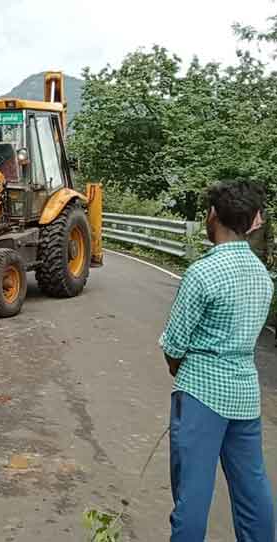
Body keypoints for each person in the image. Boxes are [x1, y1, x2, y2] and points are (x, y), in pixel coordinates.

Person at [160, 180, 275, 542]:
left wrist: (180, 370)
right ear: (254, 220)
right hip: (244, 392)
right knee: (251, 485)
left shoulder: (202, 273)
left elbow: (174, 345)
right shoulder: (262, 275)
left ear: (213, 216)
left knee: (193, 491)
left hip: (201, 394)